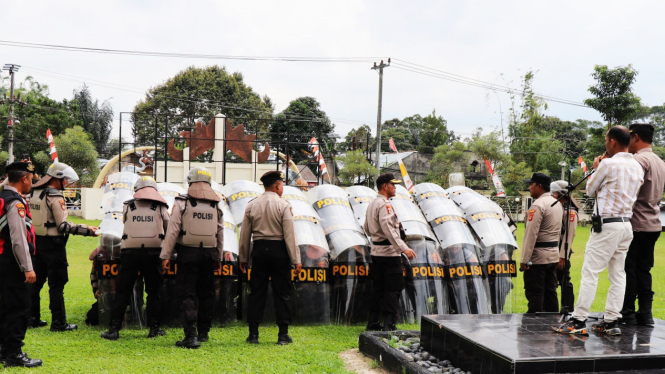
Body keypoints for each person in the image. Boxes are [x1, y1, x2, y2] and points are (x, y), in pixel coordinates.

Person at [554, 126, 643, 336]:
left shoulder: (608, 164)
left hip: (607, 225)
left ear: (612, 142)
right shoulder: (637, 166)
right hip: (625, 225)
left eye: (606, 140)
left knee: (590, 272)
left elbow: (590, 189)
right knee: (618, 274)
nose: (605, 144)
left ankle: (578, 320)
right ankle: (611, 322)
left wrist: (595, 167)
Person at [28, 162, 99, 331]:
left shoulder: (35, 193)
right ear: (57, 179)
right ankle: (58, 323)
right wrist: (88, 232)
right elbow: (62, 226)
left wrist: (84, 227)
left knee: (35, 284)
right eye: (66, 180)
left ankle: (32, 318)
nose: (67, 183)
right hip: (54, 246)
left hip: (37, 243)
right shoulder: (55, 196)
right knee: (57, 284)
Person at [160, 167, 223, 349]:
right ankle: (203, 333)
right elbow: (220, 233)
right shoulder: (216, 204)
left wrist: (165, 255)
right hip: (209, 254)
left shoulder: (182, 203)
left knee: (185, 293)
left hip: (187, 253)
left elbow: (172, 231)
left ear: (190, 182)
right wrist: (218, 257)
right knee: (207, 293)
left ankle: (191, 336)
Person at [101, 176, 170, 340]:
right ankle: (154, 328)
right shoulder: (160, 206)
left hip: (129, 252)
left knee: (123, 291)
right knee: (154, 292)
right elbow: (168, 226)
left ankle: (114, 329)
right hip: (154, 253)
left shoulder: (128, 206)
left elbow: (125, 223)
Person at [239, 171, 300, 345]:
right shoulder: (284, 205)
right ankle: (282, 335)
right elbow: (290, 236)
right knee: (282, 293)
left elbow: (245, 235)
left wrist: (243, 258)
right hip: (279, 251)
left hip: (258, 250)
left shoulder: (251, 205)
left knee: (256, 292)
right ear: (278, 185)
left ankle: (253, 334)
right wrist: (296, 259)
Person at [620, 123, 665, 326]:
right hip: (653, 223)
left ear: (635, 137)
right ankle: (645, 313)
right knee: (644, 269)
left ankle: (627, 312)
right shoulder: (659, 161)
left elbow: (628, 192)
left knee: (628, 269)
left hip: (635, 222)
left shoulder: (637, 160)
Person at [0, 161, 41, 367]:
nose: (32, 182)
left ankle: (4, 349)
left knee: (6, 307)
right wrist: (28, 267)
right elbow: (19, 239)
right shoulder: (15, 202)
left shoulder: (1, 197)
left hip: (2, 260)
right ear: (24, 178)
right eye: (31, 178)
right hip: (14, 264)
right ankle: (14, 354)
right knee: (19, 307)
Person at [364, 173, 417, 331]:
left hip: (376, 252)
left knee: (378, 288)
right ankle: (389, 325)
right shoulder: (385, 205)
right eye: (393, 184)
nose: (395, 187)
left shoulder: (372, 203)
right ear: (385, 186)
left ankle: (373, 322)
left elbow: (366, 227)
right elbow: (389, 230)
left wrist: (376, 236)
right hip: (389, 253)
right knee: (393, 289)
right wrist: (403, 248)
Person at [520, 173, 562, 313]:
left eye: (531, 185)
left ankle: (534, 327)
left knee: (535, 293)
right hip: (553, 255)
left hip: (538, 258)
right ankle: (552, 323)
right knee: (551, 293)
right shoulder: (556, 203)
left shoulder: (538, 205)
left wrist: (525, 259)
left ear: (539, 186)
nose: (529, 188)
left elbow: (531, 234)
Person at [550, 180, 580, 312]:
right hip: (553, 250)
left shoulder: (569, 211)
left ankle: (567, 308)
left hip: (561, 252)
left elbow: (569, 235)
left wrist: (563, 256)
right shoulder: (558, 208)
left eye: (554, 192)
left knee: (564, 281)